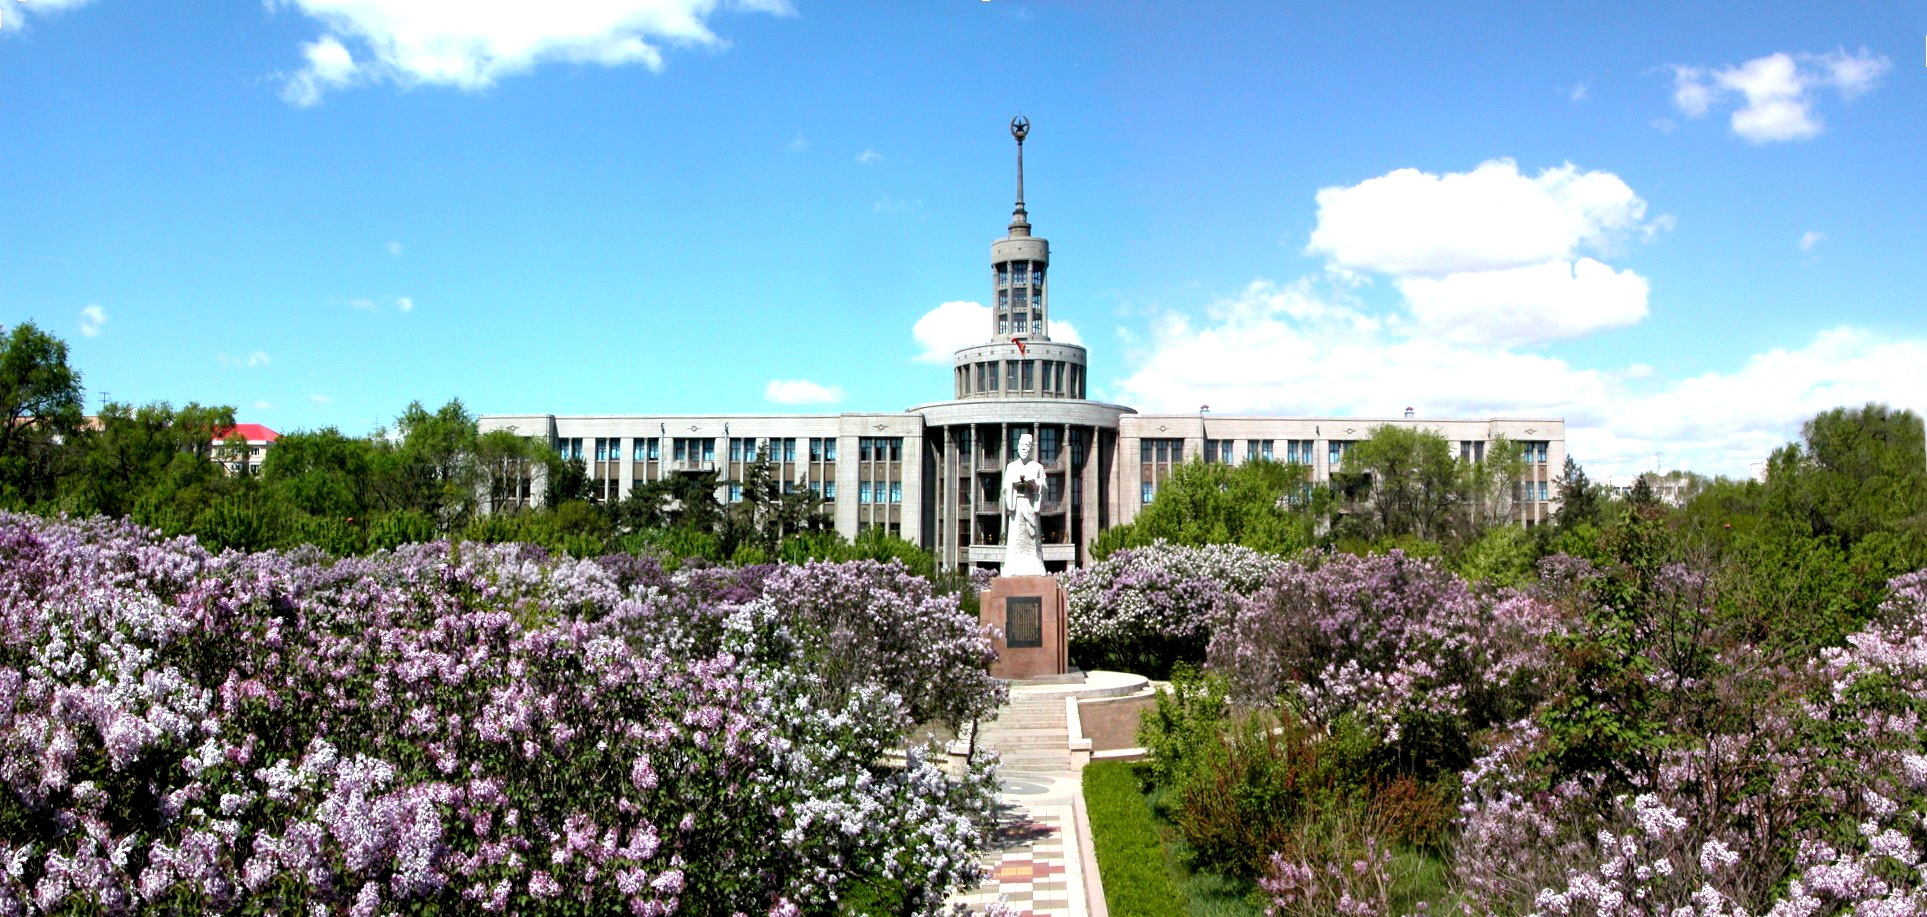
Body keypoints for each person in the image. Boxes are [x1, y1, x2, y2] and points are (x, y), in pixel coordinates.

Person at [1001, 431, 1046, 575]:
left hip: (1030, 504)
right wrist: (1014, 484)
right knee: (1015, 538)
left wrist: (1035, 485)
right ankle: (1012, 567)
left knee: (1033, 539)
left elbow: (1044, 487)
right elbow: (1005, 487)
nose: (1024, 448)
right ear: (1017, 446)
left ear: (1031, 448)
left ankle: (1036, 566)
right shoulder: (1011, 466)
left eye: (1027, 446)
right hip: (1017, 504)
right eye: (1022, 445)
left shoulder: (1037, 467)